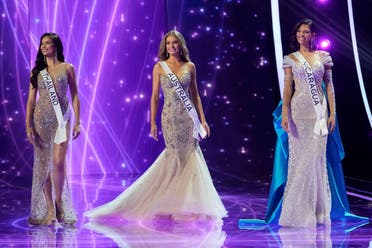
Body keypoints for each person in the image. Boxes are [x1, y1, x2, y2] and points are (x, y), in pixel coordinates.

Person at [84, 30, 227, 222]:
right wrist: (152, 122)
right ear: (165, 46)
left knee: (190, 157)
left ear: (181, 45)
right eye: (168, 43)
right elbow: (153, 97)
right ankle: (172, 202)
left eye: (175, 43)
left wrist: (203, 120)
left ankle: (188, 204)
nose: (171, 46)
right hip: (169, 118)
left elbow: (195, 96)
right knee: (174, 157)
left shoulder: (190, 66)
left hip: (188, 118)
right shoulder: (159, 67)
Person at [239, 18, 368, 230]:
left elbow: (330, 88)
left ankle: (318, 212)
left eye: (306, 32)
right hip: (298, 114)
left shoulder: (323, 57)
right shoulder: (290, 59)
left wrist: (333, 114)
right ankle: (297, 211)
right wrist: (286, 114)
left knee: (316, 161)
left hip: (318, 115)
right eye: (299, 31)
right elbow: (288, 89)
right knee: (299, 162)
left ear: (313, 35)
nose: (302, 35)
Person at [26, 32, 80, 225]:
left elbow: (74, 95)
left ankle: (59, 203)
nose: (44, 46)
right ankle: (50, 209)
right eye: (42, 44)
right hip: (40, 120)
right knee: (43, 166)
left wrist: (78, 122)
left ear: (56, 46)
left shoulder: (67, 68)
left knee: (57, 162)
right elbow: (31, 101)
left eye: (48, 43)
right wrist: (28, 125)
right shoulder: (37, 72)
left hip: (61, 120)